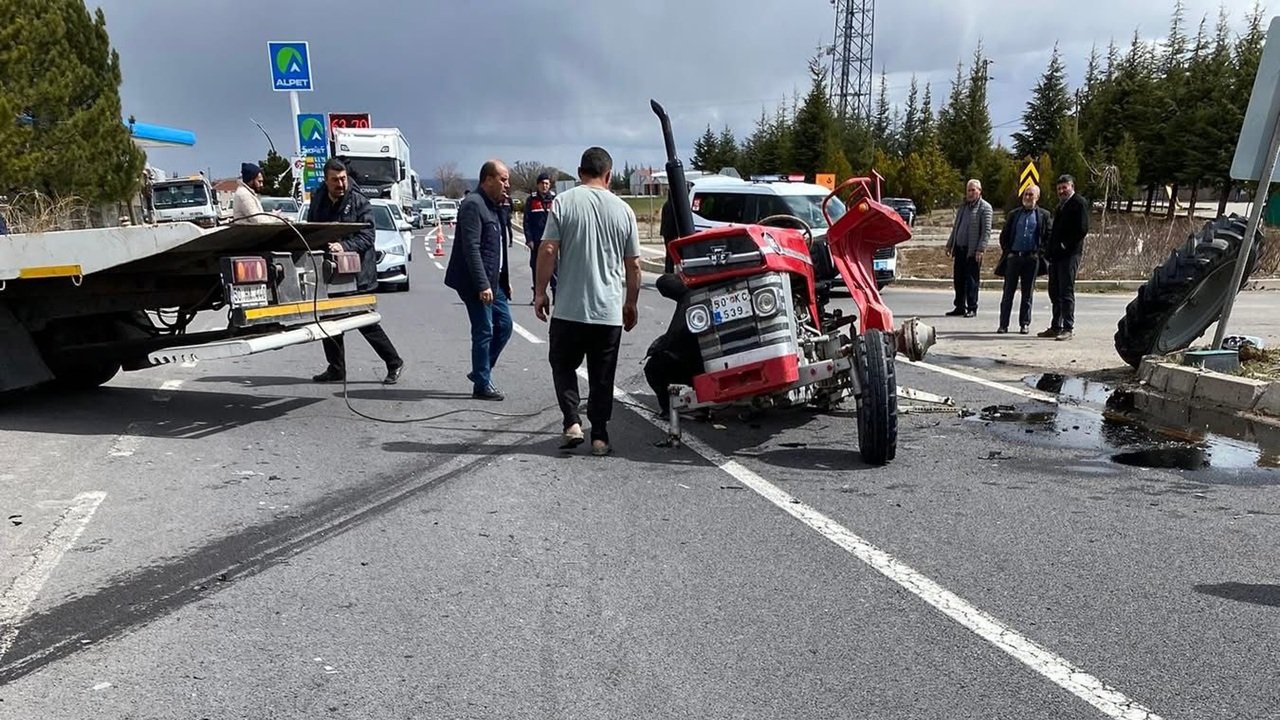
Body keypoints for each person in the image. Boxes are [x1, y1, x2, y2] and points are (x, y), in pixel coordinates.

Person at [534, 147, 641, 456]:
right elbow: (633, 264)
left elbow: (549, 249)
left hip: (569, 308)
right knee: (602, 374)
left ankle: (571, 422)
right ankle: (601, 436)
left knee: (562, 364)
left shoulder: (563, 202)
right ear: (608, 175)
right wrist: (630, 303)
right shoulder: (623, 210)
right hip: (607, 312)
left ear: (580, 173)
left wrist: (540, 291)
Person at [308, 158, 405, 385]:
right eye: (335, 180)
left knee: (363, 321)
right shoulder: (319, 198)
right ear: (326, 180)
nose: (340, 184)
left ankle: (394, 362)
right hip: (330, 272)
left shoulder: (359, 201)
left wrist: (344, 246)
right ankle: (336, 369)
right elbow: (312, 228)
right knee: (329, 321)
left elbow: (368, 237)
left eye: (343, 179)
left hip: (358, 274)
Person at [444, 159, 513, 400]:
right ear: (487, 179)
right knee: (484, 329)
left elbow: (499, 247)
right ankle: (482, 384)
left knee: (504, 326)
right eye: (503, 179)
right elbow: (471, 248)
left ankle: (479, 371)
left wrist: (504, 279)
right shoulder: (473, 205)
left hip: (495, 280)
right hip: (476, 282)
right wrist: (482, 285)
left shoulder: (494, 206)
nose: (507, 185)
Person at [995, 185, 1051, 335]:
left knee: (1027, 293)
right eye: (1025, 194)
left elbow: (1048, 237)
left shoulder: (1043, 215)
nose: (1027, 197)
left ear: (1037, 197)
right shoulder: (1014, 214)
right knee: (1008, 292)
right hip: (1014, 258)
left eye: (1031, 195)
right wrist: (1009, 252)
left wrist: (1039, 253)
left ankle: (1024, 324)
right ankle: (1003, 324)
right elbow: (1004, 235)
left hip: (1031, 259)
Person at [1041, 174, 1090, 342]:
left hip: (1070, 254)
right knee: (1054, 291)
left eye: (1065, 187)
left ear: (1072, 186)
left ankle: (1068, 327)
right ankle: (1056, 326)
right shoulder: (1060, 206)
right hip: (1056, 255)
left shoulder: (1079, 203)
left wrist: (1065, 244)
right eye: (1059, 188)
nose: (1062, 191)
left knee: (1066, 291)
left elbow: (1082, 229)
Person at [944, 178, 992, 317]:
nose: (970, 193)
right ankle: (959, 306)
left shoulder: (985, 208)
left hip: (973, 251)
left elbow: (986, 231)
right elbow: (956, 228)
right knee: (958, 279)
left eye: (973, 190)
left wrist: (980, 249)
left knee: (972, 281)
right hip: (959, 249)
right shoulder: (963, 207)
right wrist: (949, 245)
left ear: (979, 191)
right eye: (968, 190)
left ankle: (972, 307)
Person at [522, 172, 556, 301]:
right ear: (538, 185)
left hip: (552, 239)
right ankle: (537, 295)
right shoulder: (532, 199)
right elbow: (526, 221)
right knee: (536, 268)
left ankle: (555, 294)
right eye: (542, 183)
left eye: (547, 183)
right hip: (536, 240)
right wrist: (529, 239)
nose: (545, 186)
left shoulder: (554, 198)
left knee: (554, 268)